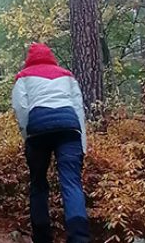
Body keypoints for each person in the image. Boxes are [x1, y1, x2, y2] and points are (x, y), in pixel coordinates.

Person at [12, 43, 90, 243]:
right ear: (51, 56)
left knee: (38, 183)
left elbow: (21, 108)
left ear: (29, 58)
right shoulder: (67, 75)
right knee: (72, 182)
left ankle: (42, 237)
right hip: (69, 128)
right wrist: (82, 144)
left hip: (38, 130)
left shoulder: (23, 76)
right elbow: (78, 108)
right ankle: (79, 237)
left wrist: (27, 136)